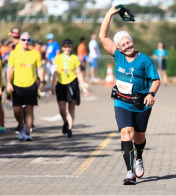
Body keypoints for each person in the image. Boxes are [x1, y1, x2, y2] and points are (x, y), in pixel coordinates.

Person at [99, 6, 161, 185]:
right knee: (127, 132)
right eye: (123, 45)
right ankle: (129, 172)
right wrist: (110, 14)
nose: (127, 46)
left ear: (132, 42)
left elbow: (155, 80)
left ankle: (139, 156)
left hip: (142, 102)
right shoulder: (117, 56)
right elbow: (103, 37)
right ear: (118, 48)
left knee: (139, 135)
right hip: (122, 101)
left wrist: (151, 93)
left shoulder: (144, 60)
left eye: (128, 43)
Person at [6, 32, 45, 141]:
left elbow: (40, 68)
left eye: (28, 40)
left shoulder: (35, 53)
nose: (26, 42)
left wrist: (42, 81)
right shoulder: (14, 54)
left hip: (31, 85)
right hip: (17, 86)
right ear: (20, 41)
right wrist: (8, 83)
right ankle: (21, 126)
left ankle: (28, 132)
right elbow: (9, 69)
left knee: (29, 110)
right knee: (17, 110)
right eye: (23, 40)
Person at [51, 39, 88, 138]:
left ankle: (70, 128)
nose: (67, 48)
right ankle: (65, 122)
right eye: (65, 47)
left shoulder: (75, 58)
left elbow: (79, 74)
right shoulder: (57, 58)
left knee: (71, 108)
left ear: (71, 48)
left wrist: (83, 87)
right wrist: (52, 85)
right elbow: (55, 73)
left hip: (72, 85)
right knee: (62, 109)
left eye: (69, 46)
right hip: (61, 85)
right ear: (62, 48)